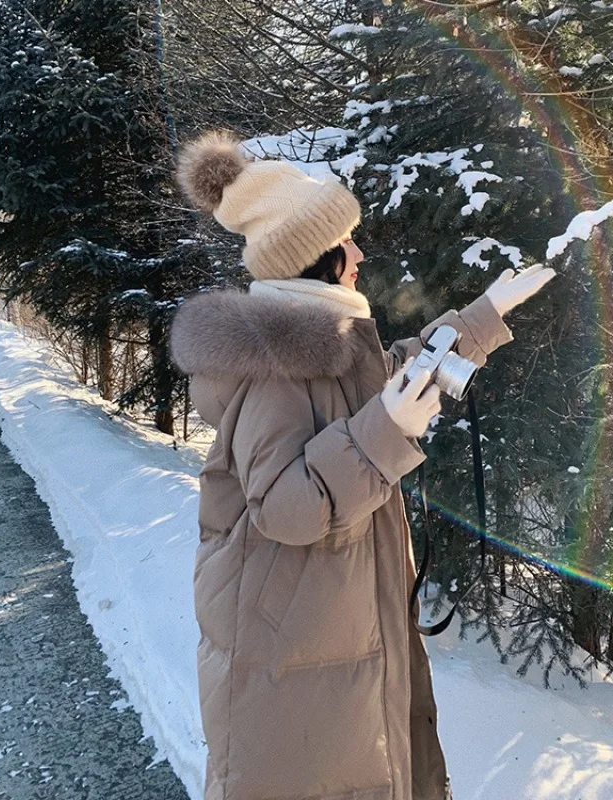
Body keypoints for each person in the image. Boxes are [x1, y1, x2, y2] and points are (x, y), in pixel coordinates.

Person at [169, 131, 555, 800]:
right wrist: (387, 432)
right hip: (292, 648)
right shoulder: (274, 369)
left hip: (329, 631)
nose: (359, 253)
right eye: (344, 241)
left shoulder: (326, 341)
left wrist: (483, 318)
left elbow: (394, 379)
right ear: (312, 257)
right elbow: (289, 507)